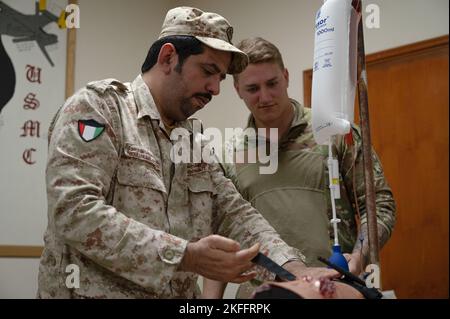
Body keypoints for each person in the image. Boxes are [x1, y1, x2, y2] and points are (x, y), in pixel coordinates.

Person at [37, 8, 337, 299]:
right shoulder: (100, 109)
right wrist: (185, 256)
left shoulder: (191, 141)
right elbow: (74, 211)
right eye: (208, 71)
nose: (215, 88)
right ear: (168, 57)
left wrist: (294, 268)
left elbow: (234, 212)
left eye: (220, 78)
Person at [202, 37, 396, 298]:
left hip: (333, 287)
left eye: (272, 83)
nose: (265, 97)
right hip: (262, 295)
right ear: (237, 89)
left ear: (286, 76)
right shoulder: (228, 153)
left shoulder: (335, 134)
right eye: (252, 88)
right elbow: (219, 234)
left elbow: (379, 205)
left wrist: (360, 257)